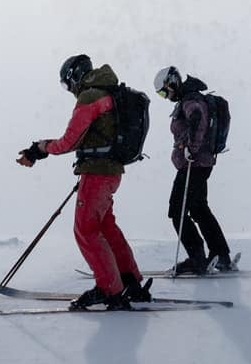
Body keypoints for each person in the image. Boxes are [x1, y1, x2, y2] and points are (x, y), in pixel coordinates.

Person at [18, 53, 153, 310]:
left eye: (66, 84)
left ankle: (109, 290)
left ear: (74, 76)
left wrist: (40, 148)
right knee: (105, 227)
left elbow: (70, 141)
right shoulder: (109, 91)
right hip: (111, 172)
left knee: (86, 230)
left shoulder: (90, 96)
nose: (68, 90)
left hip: (98, 172)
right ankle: (129, 282)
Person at [154, 65, 234, 275]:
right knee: (199, 208)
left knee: (177, 210)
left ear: (172, 82)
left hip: (193, 163)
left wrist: (191, 148)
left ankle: (198, 258)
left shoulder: (190, 99)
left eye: (164, 91)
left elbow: (198, 119)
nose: (165, 96)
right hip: (201, 162)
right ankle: (221, 255)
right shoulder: (191, 97)